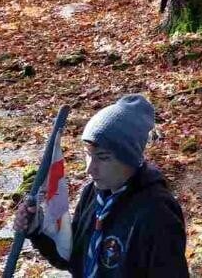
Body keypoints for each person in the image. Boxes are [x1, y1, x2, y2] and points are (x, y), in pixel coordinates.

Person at [12, 95, 189, 276]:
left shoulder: (157, 213)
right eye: (87, 154)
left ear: (129, 158)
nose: (89, 168)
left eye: (103, 157)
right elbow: (72, 258)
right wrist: (37, 230)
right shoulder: (94, 193)